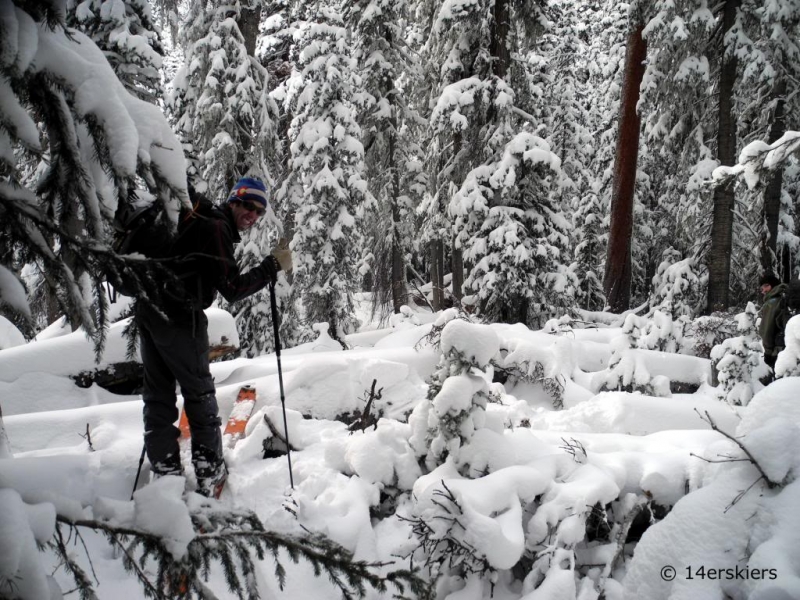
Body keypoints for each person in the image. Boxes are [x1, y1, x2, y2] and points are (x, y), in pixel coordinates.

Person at [137, 176, 291, 496]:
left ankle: (165, 469)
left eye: (259, 211)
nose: (253, 215)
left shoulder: (200, 220)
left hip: (150, 311)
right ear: (233, 200)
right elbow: (232, 289)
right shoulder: (216, 227)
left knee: (158, 395)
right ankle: (209, 473)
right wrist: (270, 267)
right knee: (200, 394)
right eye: (248, 205)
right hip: (180, 317)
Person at [758, 274, 788, 372]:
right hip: (791, 348)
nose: (764, 290)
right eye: (762, 288)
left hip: (778, 351)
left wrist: (768, 352)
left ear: (774, 285)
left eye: (766, 286)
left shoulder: (771, 303)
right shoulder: (785, 297)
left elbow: (766, 329)